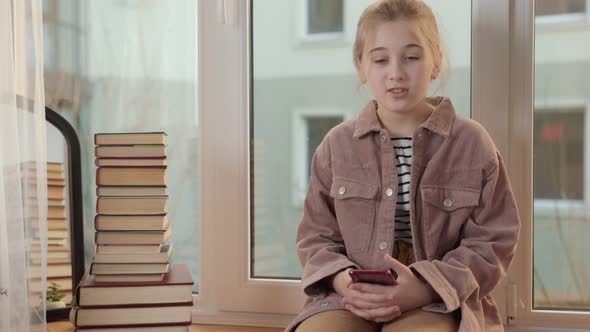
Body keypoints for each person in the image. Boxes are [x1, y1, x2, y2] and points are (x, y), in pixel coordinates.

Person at [285, 0, 521, 331]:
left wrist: (424, 287)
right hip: (350, 297)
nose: (395, 72)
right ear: (361, 66)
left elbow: (492, 243)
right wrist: (342, 281)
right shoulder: (335, 146)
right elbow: (315, 237)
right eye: (380, 59)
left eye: (411, 57)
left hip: (439, 300)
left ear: (436, 61)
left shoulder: (472, 143)